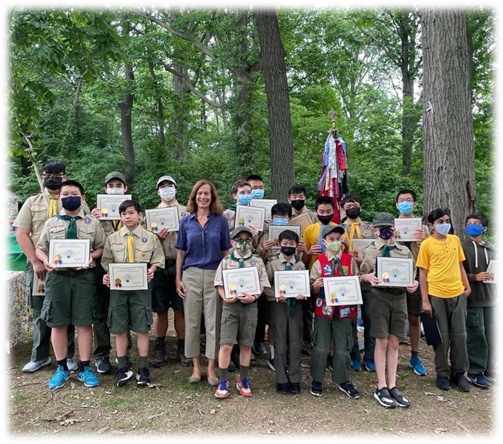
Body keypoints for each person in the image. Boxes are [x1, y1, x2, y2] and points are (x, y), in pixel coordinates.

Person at [35, 180, 106, 389]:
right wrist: (45, 260)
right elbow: (40, 248)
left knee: (84, 322)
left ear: (82, 198)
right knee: (58, 323)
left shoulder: (92, 223)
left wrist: (89, 257)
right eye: (65, 194)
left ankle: (84, 367)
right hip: (57, 278)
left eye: (74, 194)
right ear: (59, 198)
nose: (69, 197)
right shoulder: (50, 223)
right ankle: (62, 367)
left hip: (84, 277)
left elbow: (101, 247)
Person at [13, 160, 78, 373]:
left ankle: (68, 356)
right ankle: (40, 356)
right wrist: (35, 260)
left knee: (66, 310)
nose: (53, 178)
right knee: (40, 310)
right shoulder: (32, 202)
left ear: (65, 176)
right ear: (42, 177)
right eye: (49, 174)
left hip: (67, 266)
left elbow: (86, 228)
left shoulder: (73, 199)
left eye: (58, 174)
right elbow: (21, 233)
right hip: (39, 265)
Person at [101, 199, 165, 387]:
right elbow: (106, 262)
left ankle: (143, 368)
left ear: (139, 215)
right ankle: (122, 367)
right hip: (119, 290)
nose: (127, 217)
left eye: (131, 213)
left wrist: (152, 269)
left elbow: (158, 260)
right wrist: (107, 276)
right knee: (119, 328)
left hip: (141, 289)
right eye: (123, 214)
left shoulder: (150, 237)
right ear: (120, 217)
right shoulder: (112, 239)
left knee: (142, 327)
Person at [175, 180, 232, 386]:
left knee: (212, 322)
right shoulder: (186, 221)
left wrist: (228, 276)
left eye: (207, 194)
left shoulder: (220, 221)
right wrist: (178, 279)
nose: (203, 197)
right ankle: (196, 367)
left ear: (212, 197)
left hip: (214, 275)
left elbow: (226, 251)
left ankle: (211, 368)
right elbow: (180, 252)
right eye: (200, 194)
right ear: (194, 196)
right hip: (190, 275)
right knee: (191, 322)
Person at [359, 212, 418, 408]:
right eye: (381, 228)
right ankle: (381, 386)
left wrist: (413, 284)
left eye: (389, 227)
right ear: (375, 230)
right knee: (381, 340)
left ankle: (393, 385)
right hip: (379, 298)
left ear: (394, 229)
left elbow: (413, 275)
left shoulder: (404, 251)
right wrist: (366, 277)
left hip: (399, 297)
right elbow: (360, 275)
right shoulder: (370, 251)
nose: (385, 231)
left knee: (394, 341)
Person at [416, 208, 472, 392]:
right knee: (442, 338)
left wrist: (466, 285)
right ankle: (442, 373)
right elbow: (422, 274)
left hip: (457, 293)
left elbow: (459, 264)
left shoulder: (455, 240)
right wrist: (425, 300)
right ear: (431, 225)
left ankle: (459, 373)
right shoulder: (427, 245)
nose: (444, 224)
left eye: (447, 220)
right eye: (440, 221)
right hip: (437, 295)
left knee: (460, 336)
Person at [213, 226, 270, 398]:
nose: (243, 243)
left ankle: (243, 380)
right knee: (226, 344)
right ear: (232, 242)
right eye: (239, 240)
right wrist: (225, 297)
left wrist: (254, 297)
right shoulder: (226, 261)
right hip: (230, 307)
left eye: (246, 239)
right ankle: (223, 381)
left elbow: (262, 283)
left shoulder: (257, 261)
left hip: (250, 307)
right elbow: (219, 284)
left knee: (246, 345)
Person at [309, 224, 360, 400]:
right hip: (324, 310)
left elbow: (356, 282)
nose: (335, 242)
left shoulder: (349, 261)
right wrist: (315, 286)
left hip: (345, 311)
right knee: (321, 346)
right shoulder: (319, 262)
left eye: (338, 239)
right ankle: (317, 379)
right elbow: (311, 286)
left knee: (343, 346)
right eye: (331, 240)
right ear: (324, 241)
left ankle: (343, 379)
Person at [91, 171, 132, 374]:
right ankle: (102, 355)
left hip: (127, 271)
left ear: (125, 189)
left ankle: (124, 354)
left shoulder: (132, 213)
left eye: (119, 185)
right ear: (105, 189)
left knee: (123, 310)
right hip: (102, 270)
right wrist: (93, 219)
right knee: (100, 313)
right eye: (111, 185)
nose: (115, 188)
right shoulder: (97, 215)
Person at [256, 203, 306, 370]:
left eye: (284, 216)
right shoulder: (266, 236)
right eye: (277, 216)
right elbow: (260, 261)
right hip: (272, 282)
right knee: (272, 322)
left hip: (292, 286)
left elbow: (301, 266)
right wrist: (264, 249)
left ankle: (287, 355)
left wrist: (305, 252)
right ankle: (272, 354)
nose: (280, 219)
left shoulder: (296, 237)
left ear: (289, 218)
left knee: (290, 324)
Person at [150, 175, 191, 368]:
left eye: (170, 186)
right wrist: (156, 237)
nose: (167, 189)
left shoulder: (186, 212)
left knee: (180, 309)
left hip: (180, 265)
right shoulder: (149, 215)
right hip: (159, 266)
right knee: (160, 310)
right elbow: (145, 243)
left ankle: (183, 348)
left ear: (176, 188)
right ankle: (160, 348)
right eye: (162, 187)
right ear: (158, 191)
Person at [264, 229, 306, 394]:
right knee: (280, 342)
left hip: (296, 307)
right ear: (280, 245)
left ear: (296, 245)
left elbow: (304, 286)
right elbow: (265, 285)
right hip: (279, 306)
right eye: (285, 244)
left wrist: (304, 293)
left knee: (295, 342)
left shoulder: (300, 265)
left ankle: (295, 379)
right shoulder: (274, 264)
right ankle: (281, 379)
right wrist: (276, 296)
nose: (288, 246)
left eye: (291, 244)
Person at [339, 194, 376, 373]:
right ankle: (353, 354)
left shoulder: (370, 228)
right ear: (342, 208)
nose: (351, 207)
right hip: (347, 277)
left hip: (369, 276)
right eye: (347, 205)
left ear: (360, 206)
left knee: (370, 317)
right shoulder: (337, 228)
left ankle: (370, 355)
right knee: (350, 318)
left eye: (355, 204)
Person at [394, 189, 429, 376]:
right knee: (395, 319)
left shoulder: (424, 229)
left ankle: (415, 356)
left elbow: (431, 254)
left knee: (414, 317)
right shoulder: (391, 226)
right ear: (396, 204)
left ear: (415, 204)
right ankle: (393, 357)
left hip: (415, 277)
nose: (405, 203)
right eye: (401, 200)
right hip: (394, 276)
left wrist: (423, 240)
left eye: (408, 200)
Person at [461, 213, 495, 388]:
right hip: (473, 299)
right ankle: (475, 371)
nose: (472, 226)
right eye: (469, 223)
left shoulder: (492, 249)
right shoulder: (461, 247)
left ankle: (489, 368)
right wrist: (474, 277)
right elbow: (456, 273)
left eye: (476, 223)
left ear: (484, 228)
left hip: (492, 299)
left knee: (492, 335)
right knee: (477, 335)